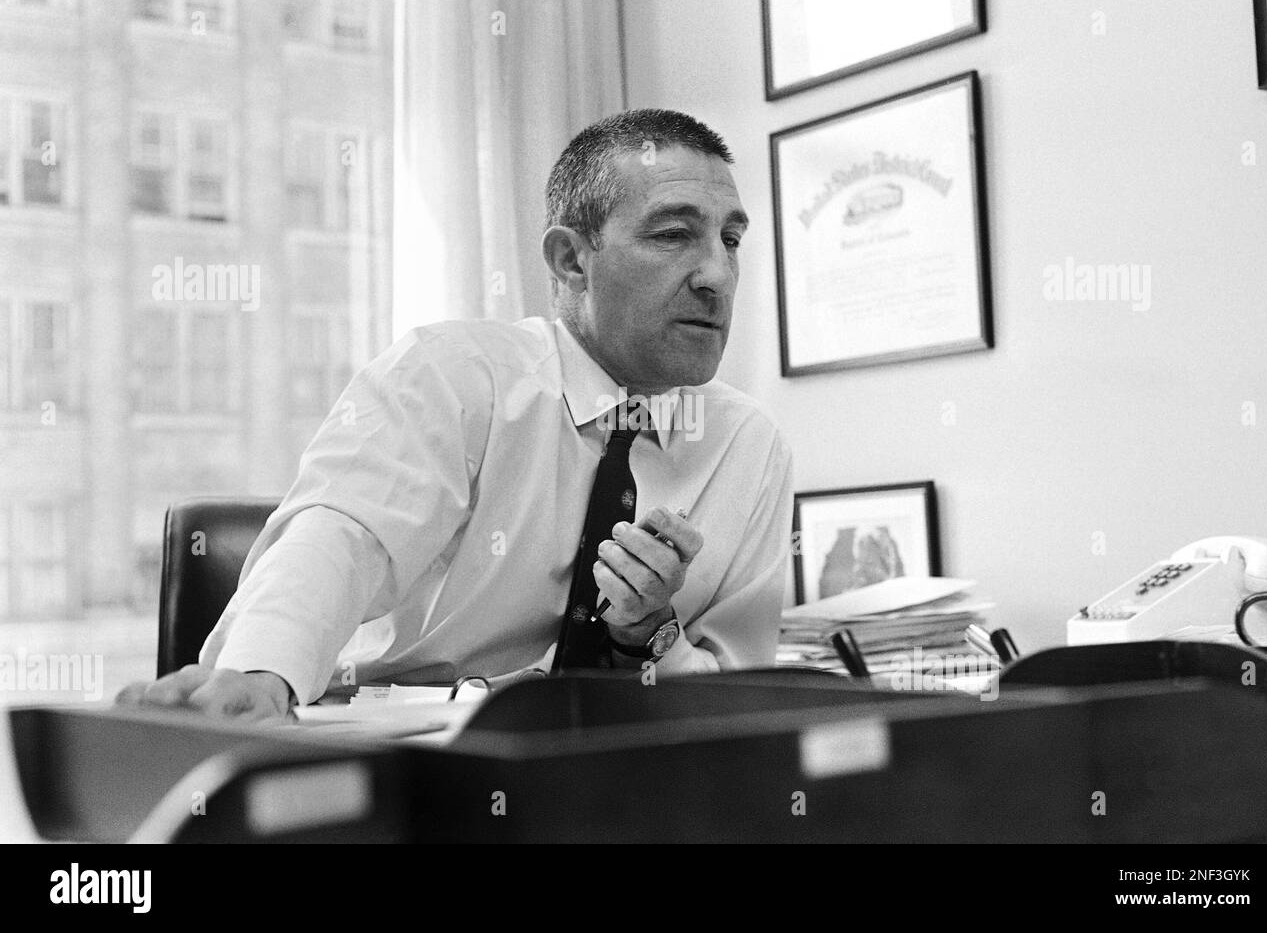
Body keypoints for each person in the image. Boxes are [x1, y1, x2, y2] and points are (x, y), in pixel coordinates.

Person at [117, 108, 794, 722]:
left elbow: (739, 700)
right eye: (675, 234)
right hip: (405, 755)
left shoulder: (747, 448)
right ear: (571, 260)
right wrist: (263, 673)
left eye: (730, 240)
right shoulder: (455, 375)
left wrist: (648, 635)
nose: (717, 274)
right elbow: (344, 533)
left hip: (611, 785)